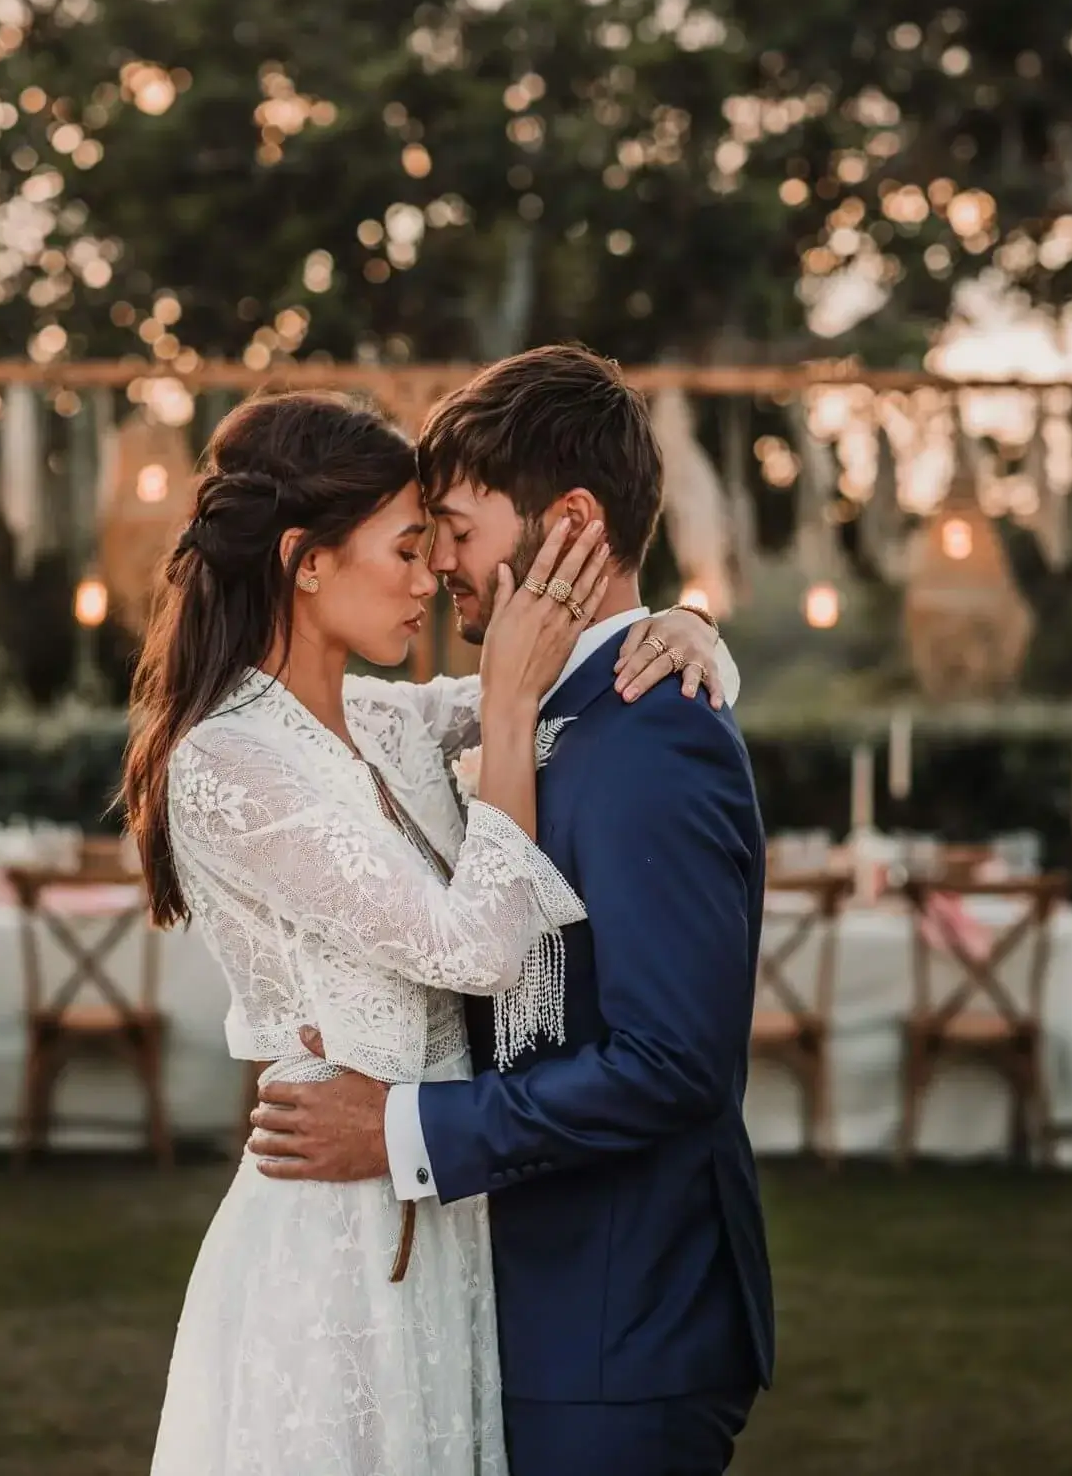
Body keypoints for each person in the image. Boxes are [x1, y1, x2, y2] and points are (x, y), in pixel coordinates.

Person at [127, 388, 729, 1476]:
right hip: (335, 1250)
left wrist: (681, 625)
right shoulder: (229, 762)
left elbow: (574, 672)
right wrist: (503, 716)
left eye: (439, 543)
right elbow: (482, 950)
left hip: (447, 1238)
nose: (431, 578)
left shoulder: (377, 719)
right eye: (410, 548)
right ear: (308, 562)